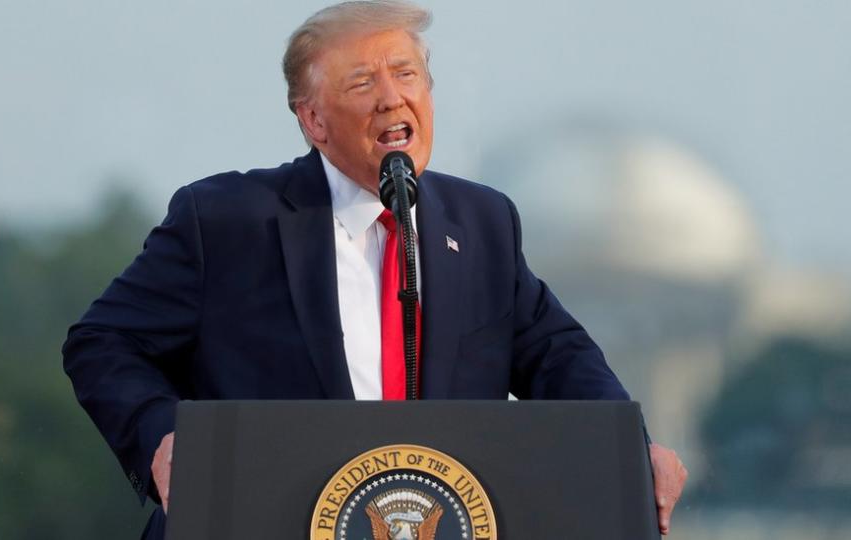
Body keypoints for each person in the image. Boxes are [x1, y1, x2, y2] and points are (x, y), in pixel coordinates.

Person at [62, 1, 687, 538]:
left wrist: (629, 450)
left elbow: (556, 354)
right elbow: (104, 343)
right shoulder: (226, 221)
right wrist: (164, 441)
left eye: (406, 73)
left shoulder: (482, 222)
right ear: (313, 120)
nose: (393, 96)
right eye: (362, 82)